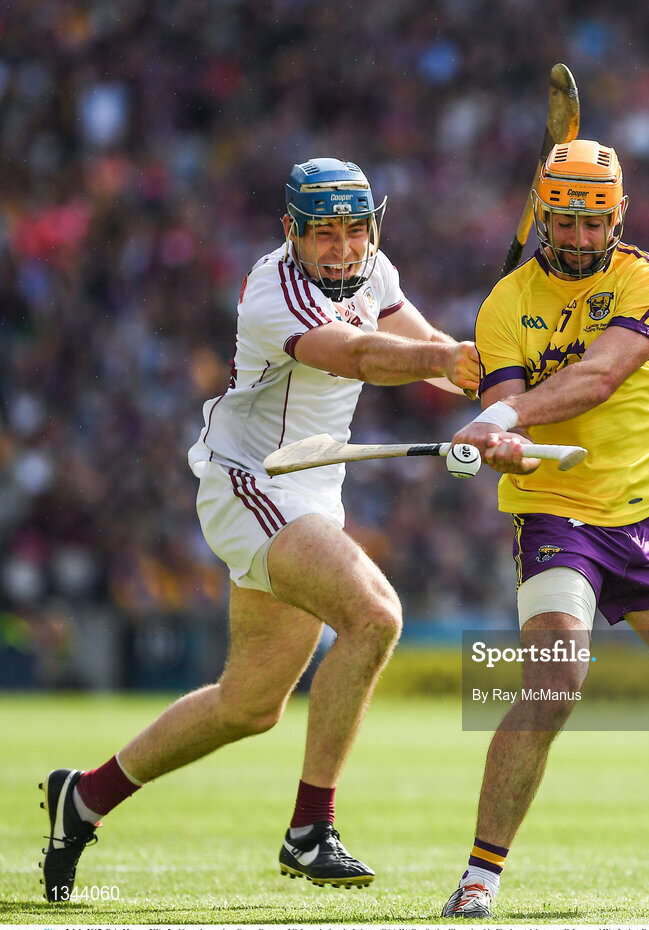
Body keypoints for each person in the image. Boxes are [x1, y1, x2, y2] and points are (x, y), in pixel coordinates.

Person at [39, 157, 480, 903]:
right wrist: (447, 358)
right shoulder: (274, 290)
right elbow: (365, 356)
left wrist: (495, 385)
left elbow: (431, 353)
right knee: (374, 618)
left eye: (354, 230)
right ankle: (311, 829)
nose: (342, 249)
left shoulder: (375, 273)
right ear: (291, 232)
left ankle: (82, 798)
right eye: (324, 234)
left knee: (249, 706)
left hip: (313, 495)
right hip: (254, 482)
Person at [441, 140, 649, 918]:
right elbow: (511, 421)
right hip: (558, 520)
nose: (581, 239)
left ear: (618, 216)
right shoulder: (503, 306)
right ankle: (480, 877)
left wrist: (500, 416)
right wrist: (506, 451)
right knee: (555, 682)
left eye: (596, 223)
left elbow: (601, 375)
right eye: (565, 222)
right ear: (542, 215)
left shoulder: (648, 279)